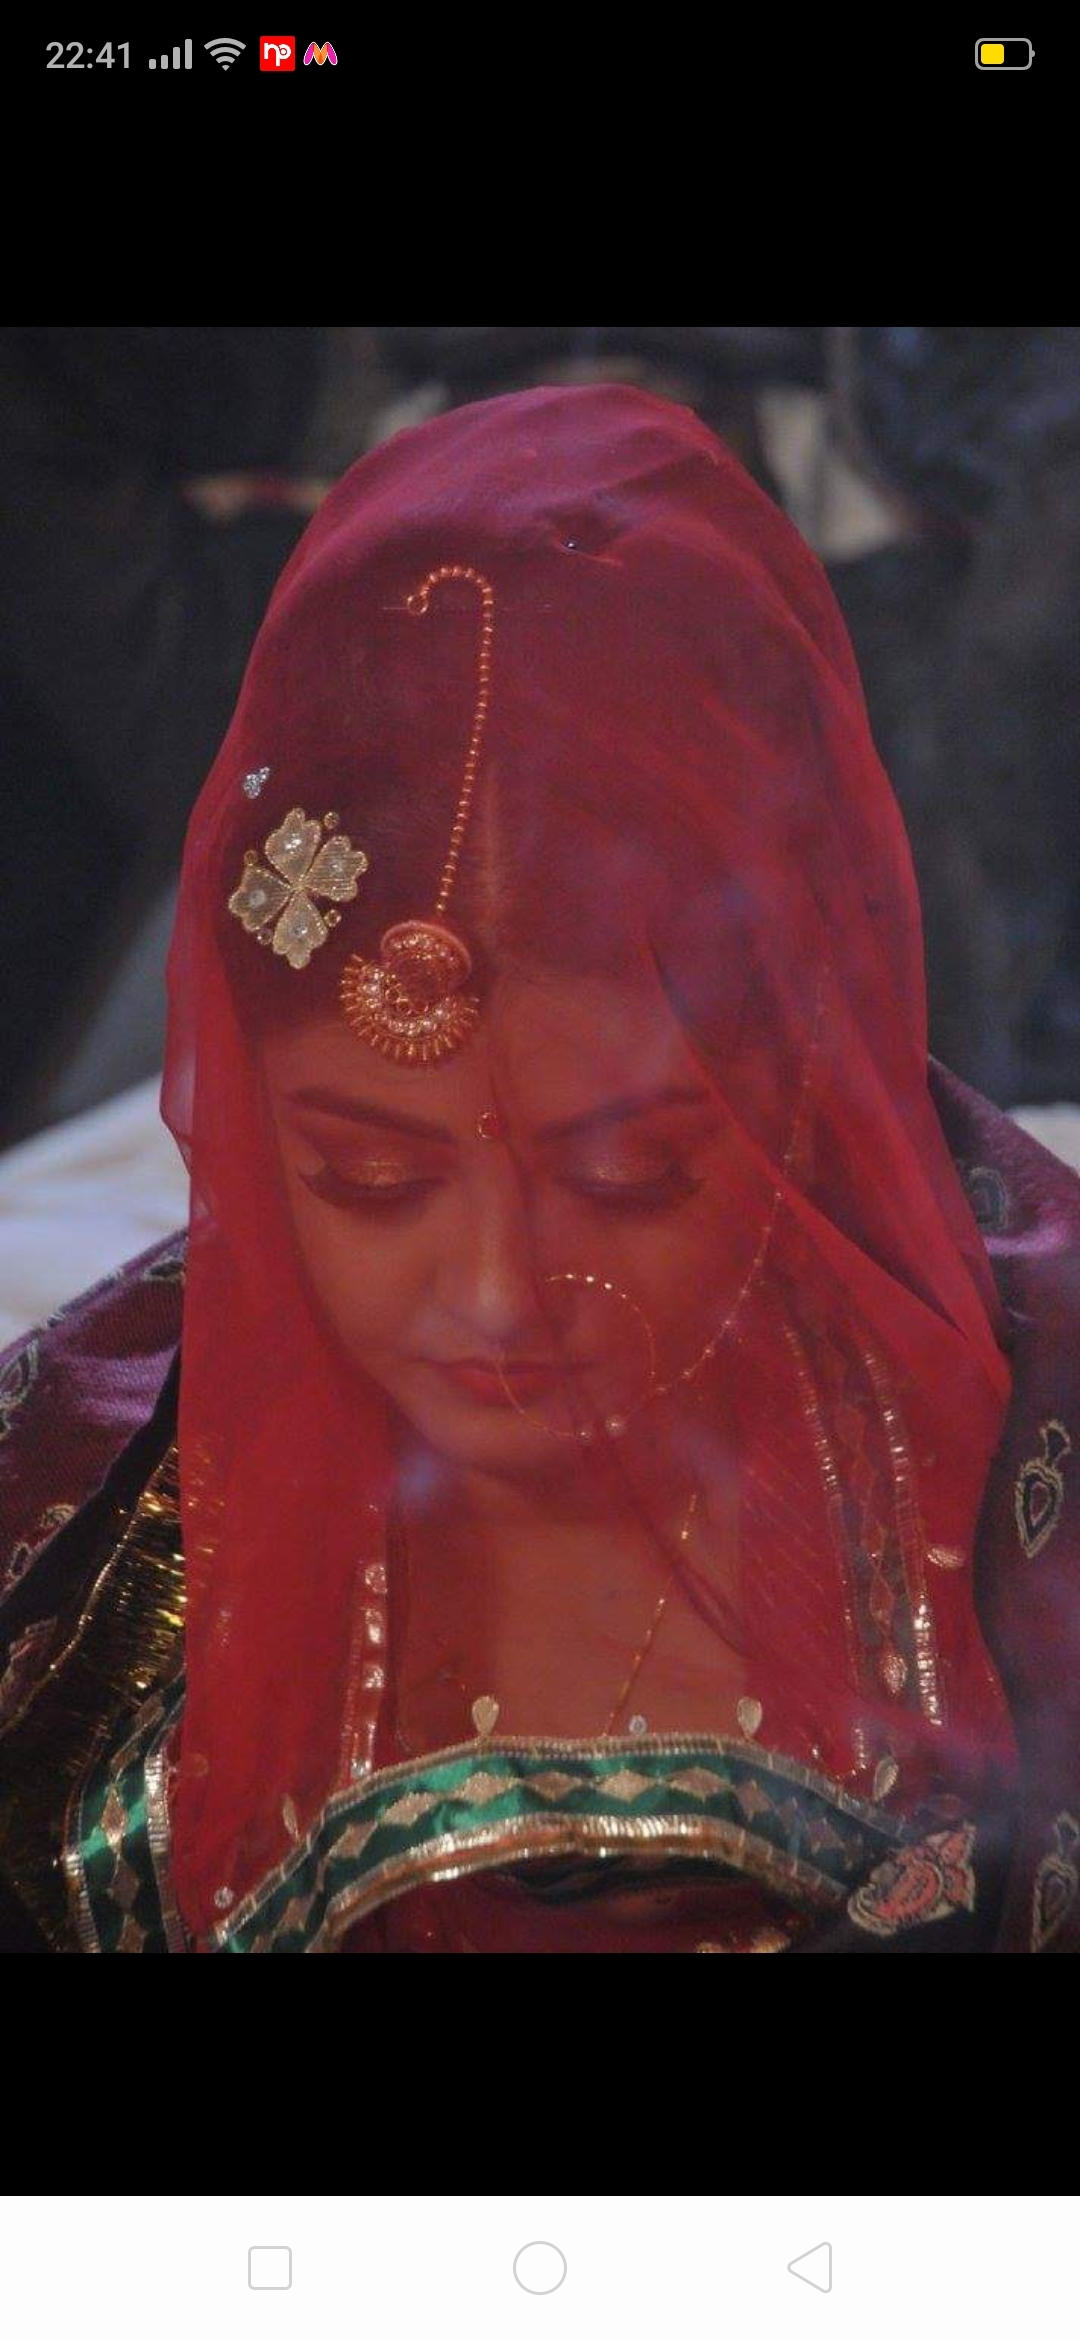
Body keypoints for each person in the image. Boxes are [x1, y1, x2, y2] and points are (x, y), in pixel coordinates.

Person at [1, 382, 1077, 1954]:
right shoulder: (67, 1578)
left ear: (796, 1088)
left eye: (629, 1173)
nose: (500, 1295)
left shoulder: (1036, 1448)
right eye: (367, 1181)